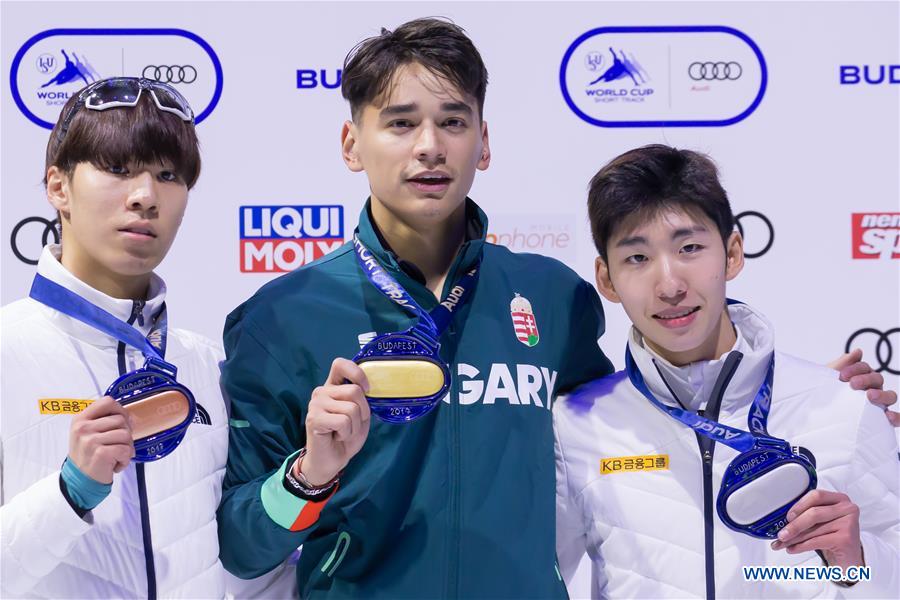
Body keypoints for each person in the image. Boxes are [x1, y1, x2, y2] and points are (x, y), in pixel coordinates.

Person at [216, 18, 614, 598]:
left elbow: (618, 464)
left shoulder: (555, 298)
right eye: (401, 123)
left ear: (483, 143)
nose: (430, 146)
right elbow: (241, 548)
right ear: (352, 144)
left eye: (453, 122)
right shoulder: (280, 317)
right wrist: (308, 476)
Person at [554, 145, 900, 599]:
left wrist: (859, 564)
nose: (670, 285)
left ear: (732, 252)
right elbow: (535, 581)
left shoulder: (843, 407)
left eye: (690, 248)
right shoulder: (575, 427)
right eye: (637, 258)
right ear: (606, 279)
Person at [1, 77, 230, 597]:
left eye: (168, 175)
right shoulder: (6, 350)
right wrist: (69, 493)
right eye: (118, 169)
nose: (146, 197)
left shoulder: (209, 366)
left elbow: (245, 569)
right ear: (58, 187)